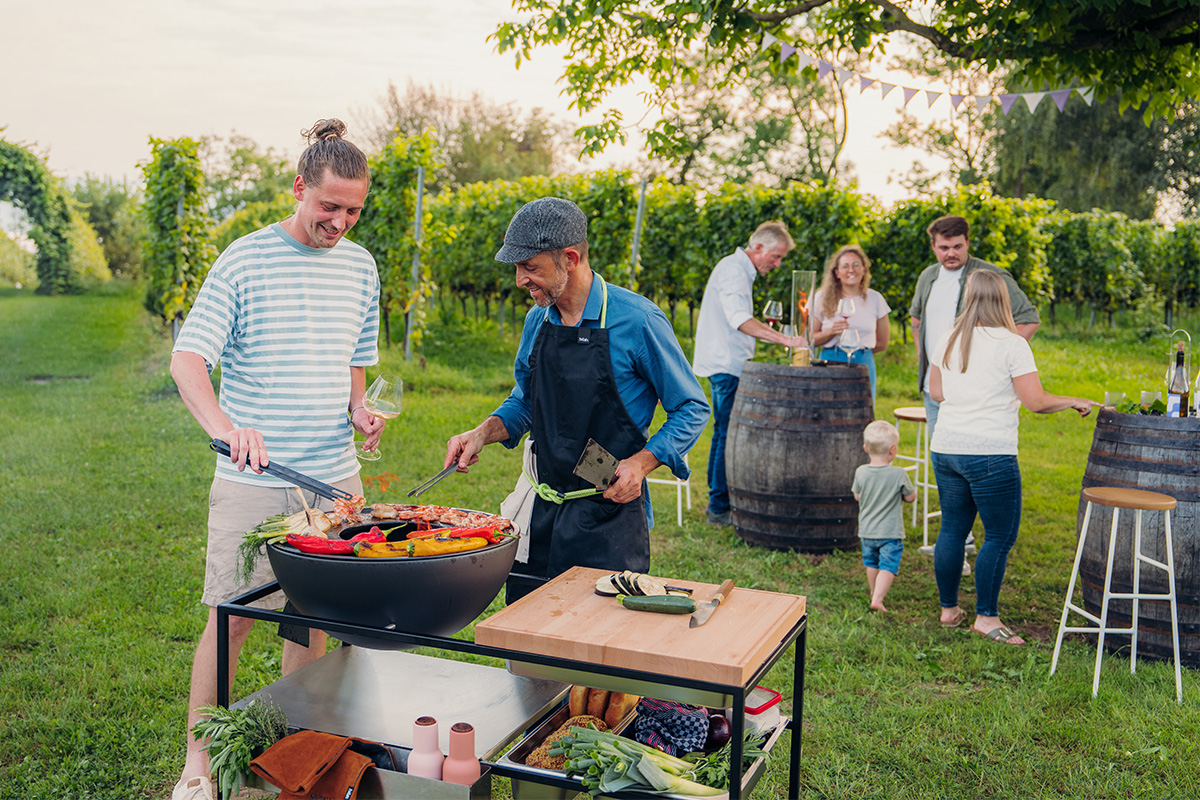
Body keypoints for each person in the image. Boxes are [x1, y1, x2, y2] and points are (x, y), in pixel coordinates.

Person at [168, 119, 383, 800]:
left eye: (353, 210)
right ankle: (197, 768)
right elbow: (187, 359)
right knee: (231, 620)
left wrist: (359, 406)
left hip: (333, 480)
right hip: (255, 482)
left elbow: (355, 357)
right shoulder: (245, 258)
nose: (340, 222)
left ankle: (296, 751)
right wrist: (227, 427)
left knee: (310, 620)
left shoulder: (361, 265)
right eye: (329, 206)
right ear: (299, 188)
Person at [444, 197, 709, 603]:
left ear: (570, 258)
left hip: (607, 514)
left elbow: (692, 407)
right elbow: (525, 402)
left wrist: (641, 464)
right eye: (517, 268)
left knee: (595, 649)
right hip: (541, 509)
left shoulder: (638, 321)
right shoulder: (538, 320)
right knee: (527, 642)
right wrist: (482, 433)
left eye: (530, 267)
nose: (519, 280)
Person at [928, 270, 1095, 645]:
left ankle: (949, 610)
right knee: (1000, 535)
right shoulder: (1012, 343)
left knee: (954, 529)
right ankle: (986, 618)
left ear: (968, 299)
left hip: (947, 447)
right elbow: (1035, 402)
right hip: (989, 453)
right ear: (1003, 300)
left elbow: (936, 391)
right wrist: (1072, 401)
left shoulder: (948, 338)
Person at [692, 221, 808, 527]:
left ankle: (717, 505)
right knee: (727, 434)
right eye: (776, 256)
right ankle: (719, 508)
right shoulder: (734, 271)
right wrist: (787, 340)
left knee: (723, 433)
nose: (778, 263)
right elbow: (740, 319)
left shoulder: (737, 268)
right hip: (727, 364)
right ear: (758, 248)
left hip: (725, 361)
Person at [909, 215, 1040, 435]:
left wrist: (992, 357)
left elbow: (1028, 319)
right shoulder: (927, 277)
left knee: (975, 454)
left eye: (957, 246)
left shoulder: (991, 276)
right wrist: (922, 355)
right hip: (935, 388)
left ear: (968, 242)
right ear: (933, 246)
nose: (951, 253)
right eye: (944, 247)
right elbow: (916, 319)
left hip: (974, 393)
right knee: (941, 455)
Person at [810, 244, 891, 402]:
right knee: (828, 410)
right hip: (830, 360)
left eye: (856, 265)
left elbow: (882, 342)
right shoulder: (821, 297)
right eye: (845, 266)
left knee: (863, 411)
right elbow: (809, 339)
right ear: (837, 272)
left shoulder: (875, 299)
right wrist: (830, 333)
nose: (851, 270)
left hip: (863, 361)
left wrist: (858, 351)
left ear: (864, 270)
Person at [852, 421, 917, 612]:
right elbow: (910, 497)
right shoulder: (899, 474)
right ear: (893, 449)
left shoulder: (860, 472)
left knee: (871, 563)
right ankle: (878, 599)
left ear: (865, 448)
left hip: (867, 530)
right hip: (890, 532)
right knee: (888, 565)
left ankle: (874, 593)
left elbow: (857, 496)